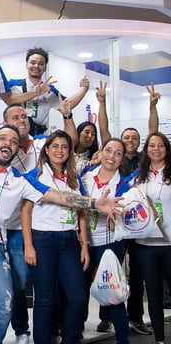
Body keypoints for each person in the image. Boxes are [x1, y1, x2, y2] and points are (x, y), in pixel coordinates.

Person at [0, 47, 122, 344]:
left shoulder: (21, 180)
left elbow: (60, 196)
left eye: (12, 139)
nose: (7, 143)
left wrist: (96, 203)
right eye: (2, 138)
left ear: (18, 143)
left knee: (6, 304)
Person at [2, 99, 77, 344]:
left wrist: (67, 116)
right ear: (5, 124)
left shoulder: (40, 143)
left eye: (24, 116)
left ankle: (52, 330)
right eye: (16, 117)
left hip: (45, 226)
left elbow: (69, 141)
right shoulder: (4, 148)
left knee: (49, 287)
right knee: (20, 283)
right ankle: (22, 330)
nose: (22, 120)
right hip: (17, 227)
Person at [94, 80, 159, 335]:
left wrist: (152, 107)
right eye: (126, 137)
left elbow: (154, 133)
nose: (130, 140)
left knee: (135, 275)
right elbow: (104, 131)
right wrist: (101, 102)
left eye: (134, 137)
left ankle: (135, 318)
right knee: (108, 271)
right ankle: (105, 317)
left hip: (138, 227)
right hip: (113, 228)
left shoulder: (142, 162)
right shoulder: (112, 162)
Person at [21, 130, 90, 344]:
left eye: (65, 147)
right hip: (42, 240)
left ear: (69, 152)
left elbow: (81, 211)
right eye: (56, 146)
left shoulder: (74, 177)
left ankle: (70, 339)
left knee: (78, 296)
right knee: (45, 299)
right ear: (47, 150)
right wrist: (28, 246)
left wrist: (84, 244)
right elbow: (25, 211)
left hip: (69, 241)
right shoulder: (36, 175)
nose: (60, 151)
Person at [81, 138, 131, 344]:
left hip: (109, 244)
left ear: (122, 158)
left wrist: (114, 218)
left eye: (118, 153)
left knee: (112, 292)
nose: (112, 156)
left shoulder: (124, 185)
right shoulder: (85, 175)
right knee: (78, 291)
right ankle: (75, 332)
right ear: (101, 152)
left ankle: (122, 339)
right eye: (108, 150)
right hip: (83, 242)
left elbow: (122, 222)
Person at [132, 131, 171, 344]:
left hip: (169, 242)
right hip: (145, 244)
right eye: (152, 146)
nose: (156, 149)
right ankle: (160, 339)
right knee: (154, 294)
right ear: (146, 150)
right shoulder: (139, 176)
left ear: (167, 149)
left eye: (161, 145)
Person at [9, 47, 90, 134]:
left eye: (40, 64)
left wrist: (84, 89)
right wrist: (34, 93)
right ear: (26, 65)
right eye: (33, 62)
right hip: (16, 134)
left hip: (40, 136)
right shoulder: (13, 85)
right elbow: (7, 98)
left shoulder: (49, 90)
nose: (36, 66)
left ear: (45, 68)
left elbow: (67, 105)